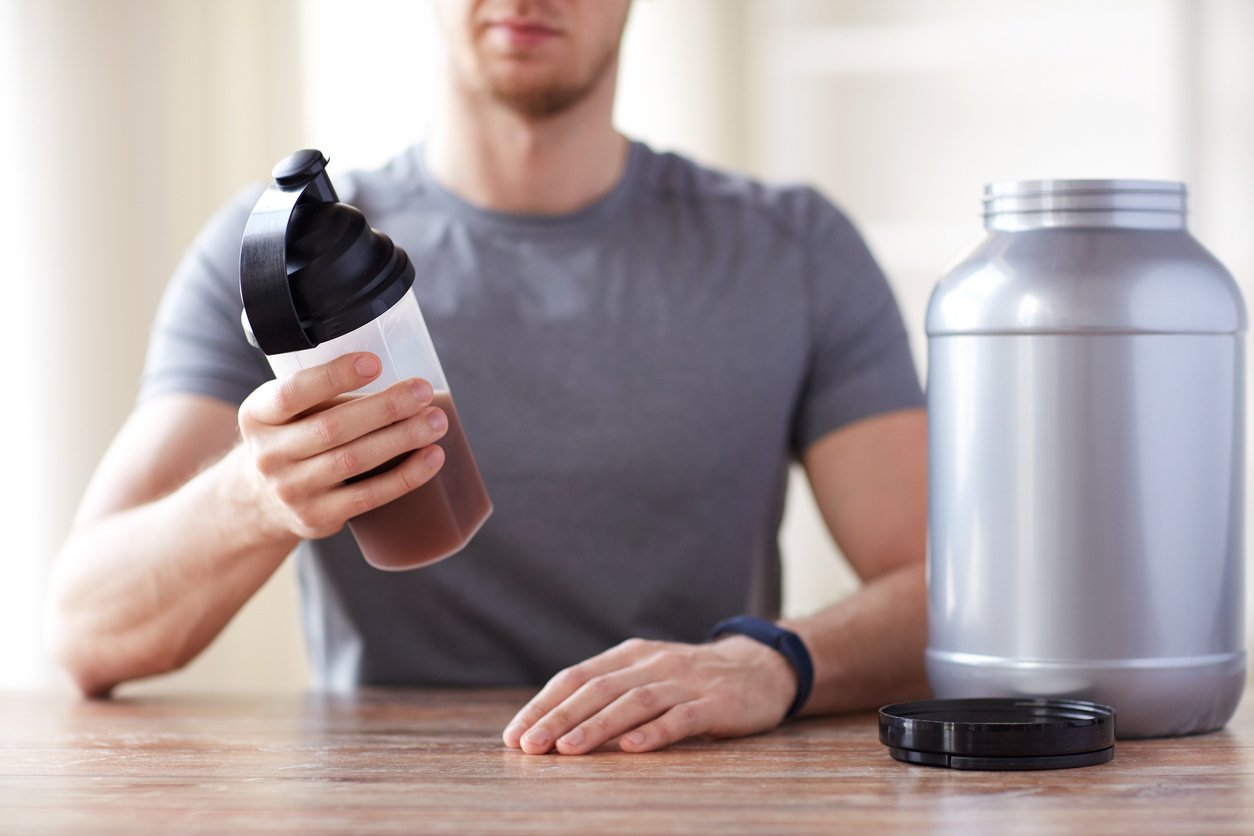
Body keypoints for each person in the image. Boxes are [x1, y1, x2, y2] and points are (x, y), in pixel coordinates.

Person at [44, 0, 928, 756]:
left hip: (684, 780)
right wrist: (255, 497)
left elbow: (958, 592)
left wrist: (770, 659)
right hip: (390, 797)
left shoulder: (794, 252)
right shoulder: (279, 260)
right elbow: (89, 633)